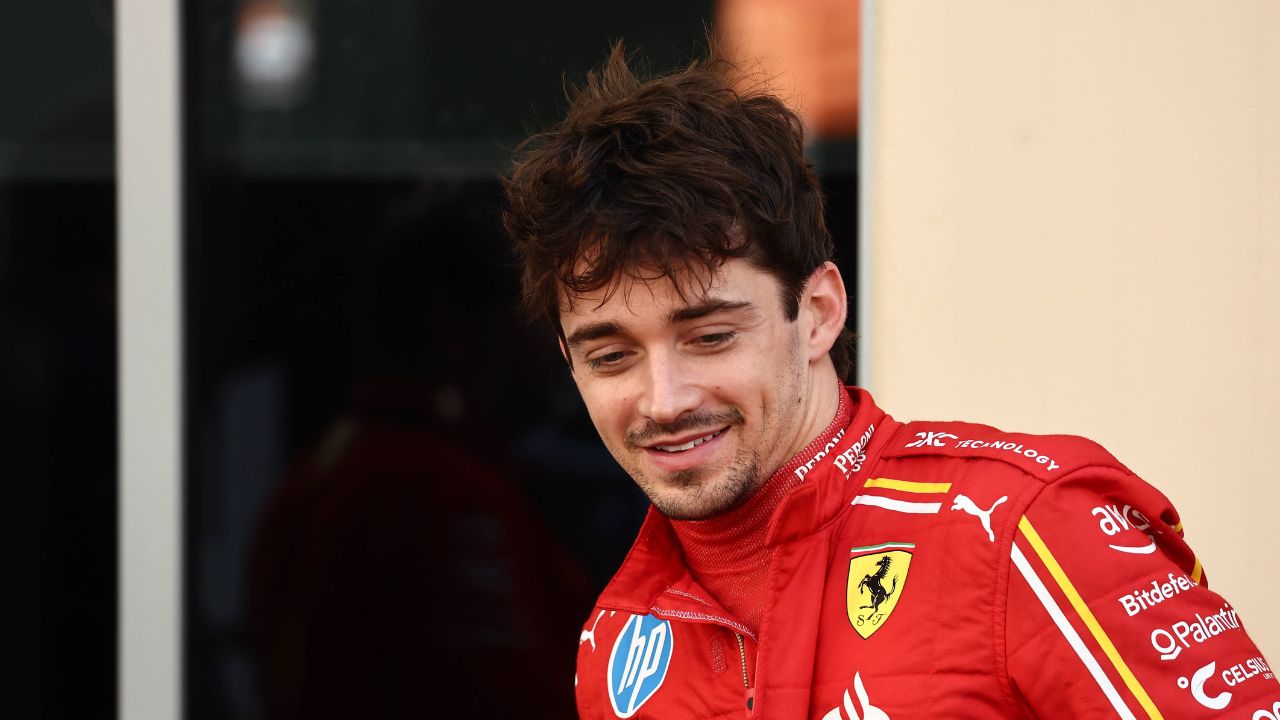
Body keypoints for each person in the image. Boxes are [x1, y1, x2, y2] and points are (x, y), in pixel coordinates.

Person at [501, 42, 1279, 719]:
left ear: (817, 312)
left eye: (709, 337)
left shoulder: (1023, 527)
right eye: (612, 357)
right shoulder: (619, 639)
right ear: (569, 364)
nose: (664, 399)